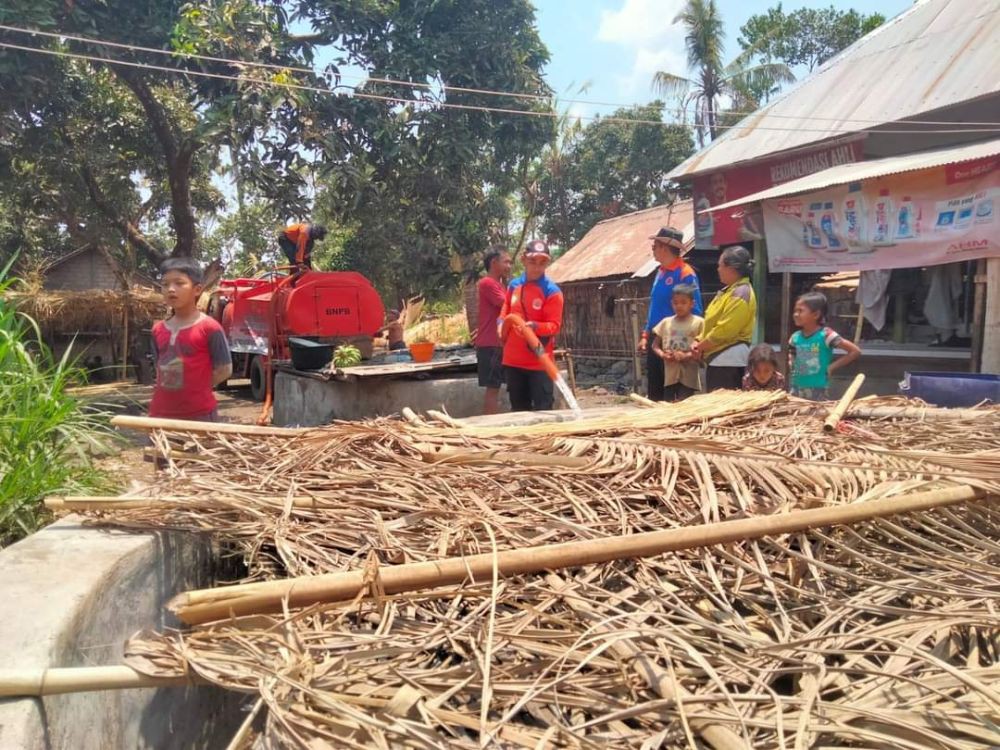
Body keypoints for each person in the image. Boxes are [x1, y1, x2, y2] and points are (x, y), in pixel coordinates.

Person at [148, 258, 233, 422]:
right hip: (159, 415)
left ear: (197, 289)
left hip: (199, 416)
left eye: (179, 283)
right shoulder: (157, 330)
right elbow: (159, 369)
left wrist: (195, 387)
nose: (171, 289)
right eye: (165, 284)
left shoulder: (210, 328)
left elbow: (224, 369)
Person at [638, 226, 703, 401]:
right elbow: (654, 307)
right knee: (656, 390)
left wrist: (692, 344)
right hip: (657, 338)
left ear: (664, 247)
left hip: (678, 342)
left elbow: (696, 311)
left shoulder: (686, 273)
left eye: (654, 247)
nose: (653, 251)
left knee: (676, 393)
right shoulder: (660, 272)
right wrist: (646, 334)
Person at [499, 240, 563, 412]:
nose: (537, 267)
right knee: (519, 411)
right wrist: (500, 323)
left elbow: (554, 326)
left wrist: (535, 327)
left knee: (544, 412)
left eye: (542, 262)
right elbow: (506, 308)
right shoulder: (514, 285)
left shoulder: (552, 292)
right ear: (523, 260)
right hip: (513, 361)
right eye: (532, 261)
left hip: (539, 363)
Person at [691, 246, 757, 391]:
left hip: (728, 360)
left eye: (720, 265)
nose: (718, 269)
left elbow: (725, 330)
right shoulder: (729, 291)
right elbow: (710, 322)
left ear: (731, 268)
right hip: (718, 358)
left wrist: (699, 346)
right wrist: (698, 340)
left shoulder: (741, 293)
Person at [788, 292, 862, 401]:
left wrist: (830, 367)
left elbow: (855, 351)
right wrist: (791, 363)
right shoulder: (795, 337)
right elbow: (791, 355)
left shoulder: (826, 335)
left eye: (800, 311)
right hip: (796, 387)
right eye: (795, 311)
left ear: (816, 314)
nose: (795, 314)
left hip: (818, 388)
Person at [650, 284, 704, 401]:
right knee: (669, 404)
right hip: (670, 375)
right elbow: (655, 345)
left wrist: (686, 356)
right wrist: (663, 355)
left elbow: (702, 347)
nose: (679, 306)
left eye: (683, 302)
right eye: (675, 303)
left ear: (692, 304)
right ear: (671, 304)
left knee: (685, 405)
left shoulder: (699, 322)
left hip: (689, 375)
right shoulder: (666, 322)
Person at [475, 246, 512, 414]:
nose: (509, 266)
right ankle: (491, 427)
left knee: (498, 387)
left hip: (499, 343)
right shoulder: (487, 283)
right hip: (491, 344)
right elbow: (508, 305)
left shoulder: (500, 285)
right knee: (493, 389)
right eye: (506, 262)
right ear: (493, 262)